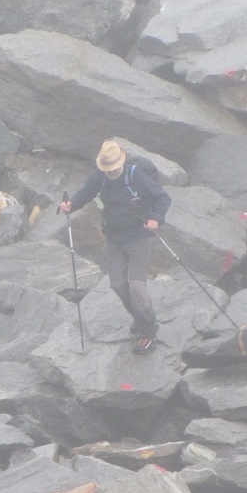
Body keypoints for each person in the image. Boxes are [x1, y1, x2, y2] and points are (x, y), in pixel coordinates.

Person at [61, 140, 171, 354]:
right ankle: (141, 319)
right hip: (114, 239)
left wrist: (156, 219)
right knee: (118, 285)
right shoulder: (99, 178)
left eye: (114, 166)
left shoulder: (135, 175)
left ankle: (149, 333)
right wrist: (71, 205)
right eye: (108, 168)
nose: (112, 171)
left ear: (121, 161)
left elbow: (162, 198)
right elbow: (85, 193)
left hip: (138, 236)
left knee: (136, 286)